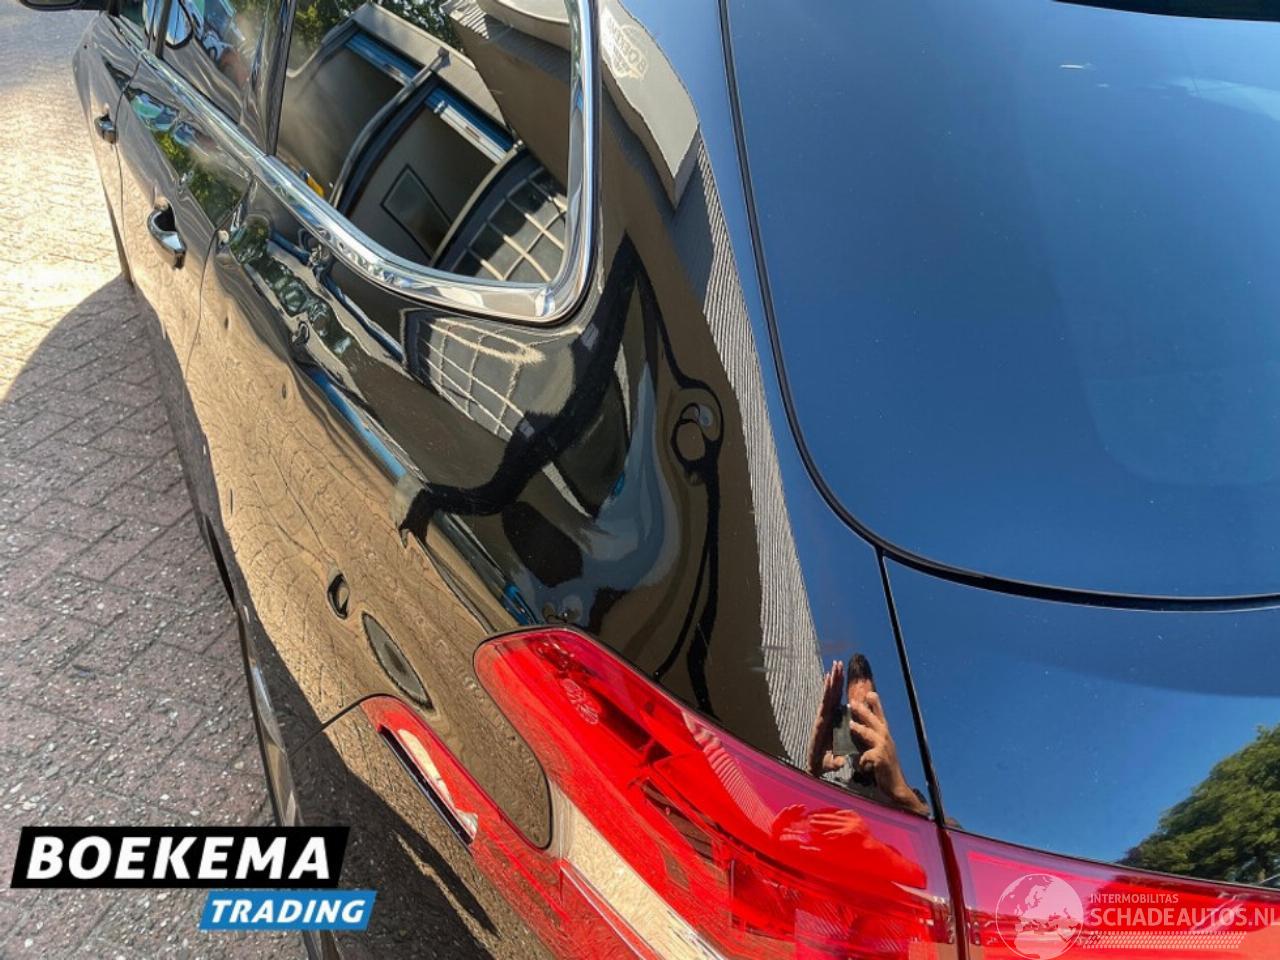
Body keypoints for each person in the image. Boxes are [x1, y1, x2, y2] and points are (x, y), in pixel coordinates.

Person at [805, 654, 929, 816]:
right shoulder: (836, 786)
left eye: (867, 712)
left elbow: (947, 825)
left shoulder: (910, 796)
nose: (860, 728)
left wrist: (904, 795)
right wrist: (811, 772)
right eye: (854, 716)